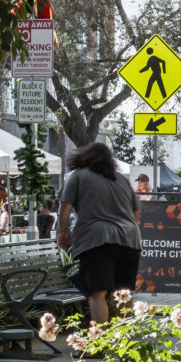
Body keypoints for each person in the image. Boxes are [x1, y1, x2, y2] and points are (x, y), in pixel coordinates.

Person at [55, 140, 140, 328]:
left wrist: (62, 233)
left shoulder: (77, 176)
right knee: (122, 292)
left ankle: (99, 345)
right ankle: (124, 342)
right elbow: (136, 215)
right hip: (131, 239)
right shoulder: (121, 179)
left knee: (97, 293)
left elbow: (65, 206)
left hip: (97, 239)